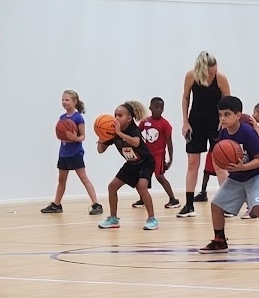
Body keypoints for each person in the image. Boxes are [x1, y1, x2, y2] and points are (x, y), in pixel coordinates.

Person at [198, 96, 259, 256]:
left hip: (257, 174)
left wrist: (243, 166)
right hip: (238, 175)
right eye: (220, 114)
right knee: (216, 205)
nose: (223, 118)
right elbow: (222, 156)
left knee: (258, 208)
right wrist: (224, 165)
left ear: (238, 115)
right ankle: (220, 241)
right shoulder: (223, 133)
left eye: (227, 114)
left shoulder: (248, 132)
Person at [179, 51, 230, 218]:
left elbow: (228, 102)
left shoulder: (220, 78)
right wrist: (185, 122)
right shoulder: (191, 76)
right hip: (195, 122)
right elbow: (185, 98)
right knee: (192, 164)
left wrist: (224, 123)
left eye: (214, 71)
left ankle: (227, 205)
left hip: (215, 123)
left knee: (220, 165)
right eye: (210, 72)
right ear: (201, 69)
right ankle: (188, 205)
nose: (212, 74)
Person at [96, 101, 157, 230]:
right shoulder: (113, 131)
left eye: (120, 115)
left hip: (145, 162)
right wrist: (101, 136)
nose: (116, 118)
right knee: (112, 187)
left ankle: (152, 219)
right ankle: (113, 219)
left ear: (129, 118)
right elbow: (100, 150)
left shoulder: (132, 129)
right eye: (115, 115)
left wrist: (120, 133)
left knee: (141, 186)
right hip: (131, 164)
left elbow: (135, 142)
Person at [42, 89, 102, 215]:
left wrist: (74, 138)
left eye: (67, 100)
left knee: (84, 178)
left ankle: (96, 204)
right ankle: (57, 205)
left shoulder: (78, 118)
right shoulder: (62, 118)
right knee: (61, 180)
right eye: (62, 100)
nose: (64, 102)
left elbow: (82, 137)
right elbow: (61, 134)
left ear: (75, 101)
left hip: (75, 153)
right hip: (64, 152)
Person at [135, 96, 179, 209]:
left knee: (159, 176)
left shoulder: (165, 124)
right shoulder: (145, 122)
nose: (158, 109)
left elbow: (169, 142)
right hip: (146, 155)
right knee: (140, 176)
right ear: (150, 107)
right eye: (156, 106)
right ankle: (143, 198)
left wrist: (171, 159)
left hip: (158, 155)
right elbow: (137, 134)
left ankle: (173, 199)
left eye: (161, 107)